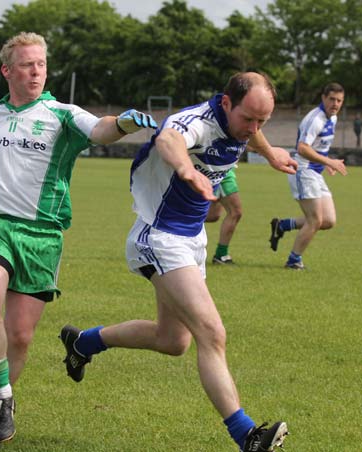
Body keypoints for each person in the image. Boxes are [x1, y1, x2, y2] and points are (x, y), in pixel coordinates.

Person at [0, 32, 157, 449]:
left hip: (42, 234)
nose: (36, 71)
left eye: (41, 64)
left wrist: (122, 123)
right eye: (27, 64)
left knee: (20, 338)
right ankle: (3, 398)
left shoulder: (62, 113)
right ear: (7, 70)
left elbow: (101, 129)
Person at [59, 72, 297, 452]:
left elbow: (251, 130)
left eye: (262, 121)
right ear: (225, 103)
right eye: (247, 118)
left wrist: (270, 153)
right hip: (159, 237)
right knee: (212, 333)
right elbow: (169, 137)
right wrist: (186, 170)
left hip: (191, 240)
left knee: (173, 341)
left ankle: (84, 342)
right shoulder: (195, 123)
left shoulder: (244, 124)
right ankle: (247, 435)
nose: (253, 128)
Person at [269, 82, 347, 269]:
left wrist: (325, 162)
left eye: (339, 101)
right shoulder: (316, 120)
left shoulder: (333, 118)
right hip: (302, 171)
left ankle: (283, 225)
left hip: (315, 172)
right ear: (323, 98)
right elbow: (302, 148)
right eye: (332, 99)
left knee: (328, 220)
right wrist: (329, 162)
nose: (335, 104)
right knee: (315, 220)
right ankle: (294, 261)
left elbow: (318, 146)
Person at [205, 167, 242, 264]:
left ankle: (173, 219)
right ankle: (221, 255)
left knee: (213, 216)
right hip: (220, 171)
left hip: (225, 168)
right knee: (235, 212)